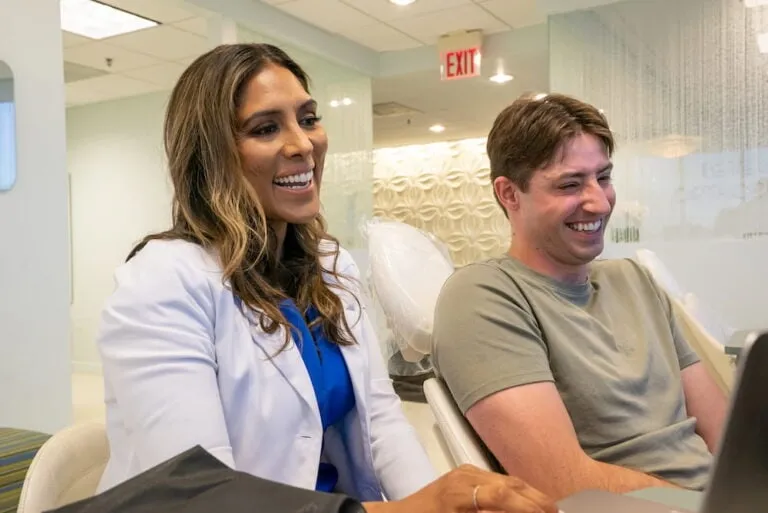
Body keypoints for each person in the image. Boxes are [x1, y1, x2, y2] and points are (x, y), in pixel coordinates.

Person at [94, 43, 557, 513]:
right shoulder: (162, 281)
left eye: (308, 119)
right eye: (266, 128)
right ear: (210, 156)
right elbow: (200, 495)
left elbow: (380, 419)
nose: (302, 144)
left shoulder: (330, 267)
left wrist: (442, 503)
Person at [431, 92, 729, 501]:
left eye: (603, 177)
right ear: (509, 194)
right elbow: (563, 483)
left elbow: (727, 436)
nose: (599, 201)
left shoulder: (635, 280)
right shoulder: (483, 297)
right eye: (570, 184)